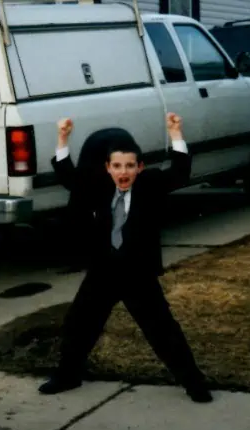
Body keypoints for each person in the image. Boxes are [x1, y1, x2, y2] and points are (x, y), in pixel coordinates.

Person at [38, 113, 212, 403]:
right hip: (103, 272)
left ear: (140, 167)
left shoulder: (150, 185)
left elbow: (180, 172)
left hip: (137, 274)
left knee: (162, 329)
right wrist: (63, 138)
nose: (123, 172)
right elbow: (68, 175)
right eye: (117, 166)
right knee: (79, 323)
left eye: (130, 166)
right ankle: (67, 375)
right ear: (107, 168)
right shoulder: (97, 184)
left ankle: (194, 382)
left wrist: (176, 132)